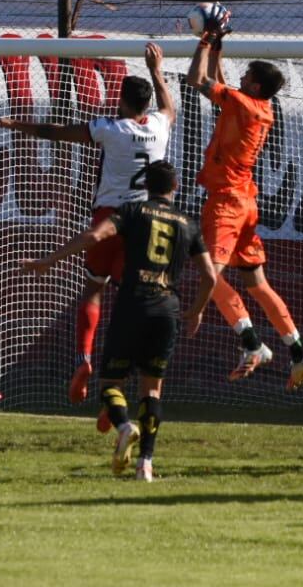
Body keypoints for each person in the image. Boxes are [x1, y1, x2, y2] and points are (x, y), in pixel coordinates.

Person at [0, 42, 176, 403]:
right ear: (146, 104)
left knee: (93, 288)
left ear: (122, 101)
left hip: (110, 218)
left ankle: (85, 357)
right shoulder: (159, 125)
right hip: (146, 223)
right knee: (133, 303)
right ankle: (125, 380)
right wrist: (157, 69)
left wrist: (15, 123)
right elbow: (169, 107)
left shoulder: (110, 128)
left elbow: (58, 132)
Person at [22, 161, 216, 481]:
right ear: (176, 186)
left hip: (132, 304)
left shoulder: (133, 212)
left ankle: (125, 426)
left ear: (146, 186)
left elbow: (95, 235)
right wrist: (196, 310)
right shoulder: (188, 222)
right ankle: (146, 466)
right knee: (152, 391)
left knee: (111, 384)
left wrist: (48, 261)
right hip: (167, 309)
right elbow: (209, 275)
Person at [186, 28, 303, 386]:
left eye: (248, 75)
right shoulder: (261, 107)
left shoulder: (242, 103)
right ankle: (298, 352)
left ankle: (251, 344)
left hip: (227, 200)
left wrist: (201, 44)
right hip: (246, 199)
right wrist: (217, 48)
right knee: (257, 284)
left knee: (210, 276)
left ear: (256, 86)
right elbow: (222, 85)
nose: (241, 78)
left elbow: (197, 79)